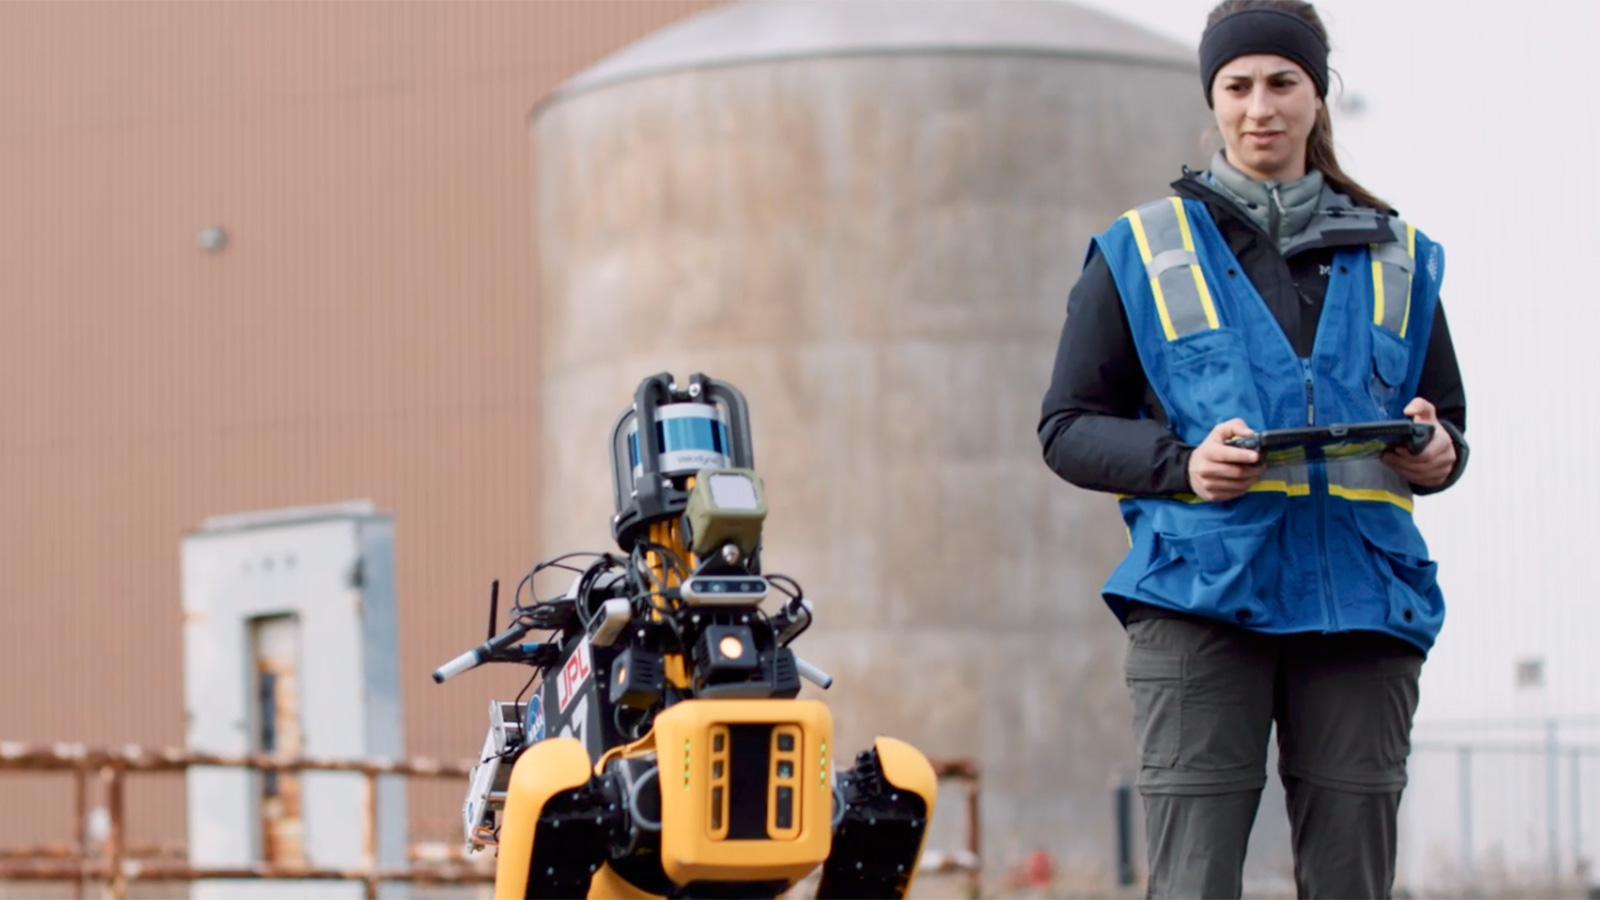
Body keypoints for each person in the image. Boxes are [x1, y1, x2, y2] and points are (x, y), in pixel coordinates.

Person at [1037, 1, 1469, 897]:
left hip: (1361, 608)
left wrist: (1438, 453)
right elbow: (1068, 426)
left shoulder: (1401, 254)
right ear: (1213, 100)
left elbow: (1449, 426)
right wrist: (1182, 465)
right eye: (1238, 86)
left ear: (1319, 96)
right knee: (1193, 881)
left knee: (1351, 882)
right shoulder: (1142, 250)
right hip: (1201, 601)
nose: (1259, 106)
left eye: (1283, 83)